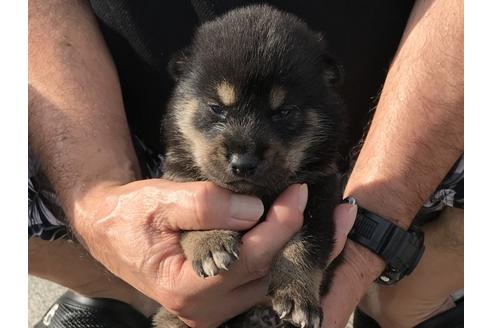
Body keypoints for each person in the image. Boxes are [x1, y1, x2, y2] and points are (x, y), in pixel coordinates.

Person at [28, 0, 463, 327]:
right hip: (116, 118)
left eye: (283, 114)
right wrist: (97, 199)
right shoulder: (185, 155)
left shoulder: (314, 159)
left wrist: (327, 263)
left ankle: (409, 296)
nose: (243, 154)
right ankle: (123, 290)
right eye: (217, 111)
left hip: (401, 124)